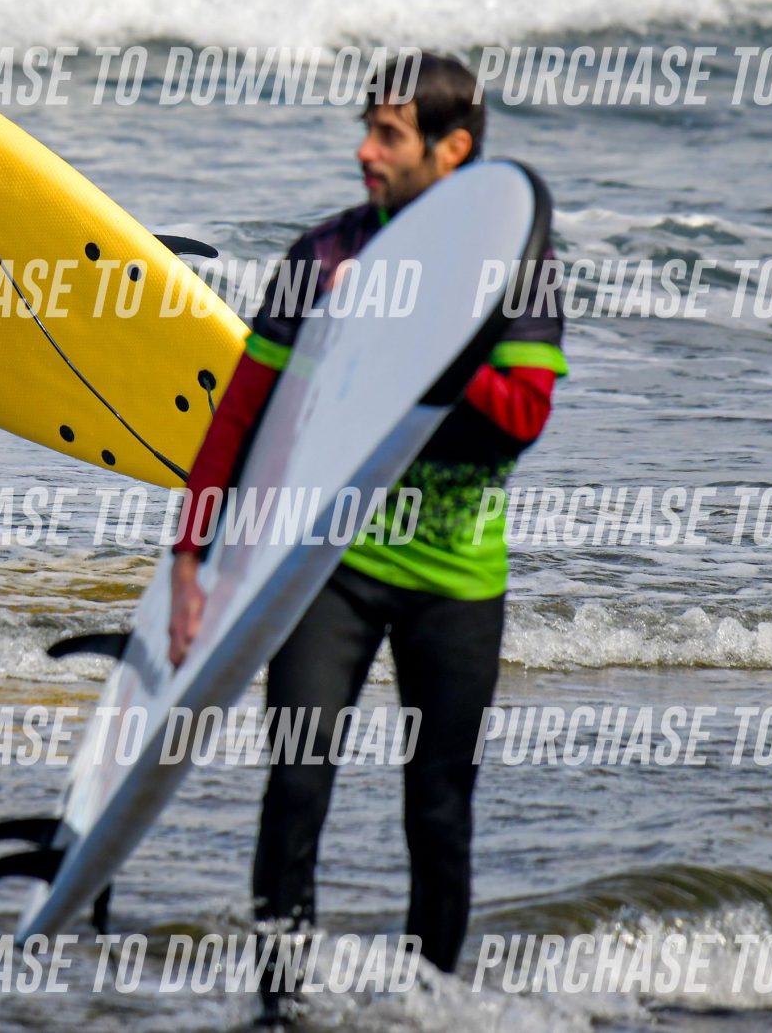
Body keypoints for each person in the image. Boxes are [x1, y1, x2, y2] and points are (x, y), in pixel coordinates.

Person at [166, 52, 566, 1021]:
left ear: (451, 150)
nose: (365, 151)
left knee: (438, 808)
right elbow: (240, 417)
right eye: (368, 129)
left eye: (389, 134)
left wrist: (421, 330)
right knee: (295, 785)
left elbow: (521, 416)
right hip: (329, 565)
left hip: (455, 575)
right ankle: (277, 1010)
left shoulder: (516, 262)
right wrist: (188, 557)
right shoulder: (324, 257)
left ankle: (428, 1007)